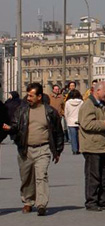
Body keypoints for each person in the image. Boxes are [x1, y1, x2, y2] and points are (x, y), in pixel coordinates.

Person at [2, 82, 64, 216]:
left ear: (39, 96)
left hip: (43, 149)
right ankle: (28, 201)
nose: (28, 98)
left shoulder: (50, 112)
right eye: (27, 95)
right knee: (27, 178)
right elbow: (15, 125)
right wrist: (10, 128)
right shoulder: (22, 110)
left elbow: (58, 132)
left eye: (31, 96)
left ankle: (41, 204)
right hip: (25, 149)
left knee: (42, 176)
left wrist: (57, 151)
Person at [78, 81, 105, 211]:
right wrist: (103, 124)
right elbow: (86, 124)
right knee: (93, 175)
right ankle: (91, 202)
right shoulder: (88, 105)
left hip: (103, 145)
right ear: (97, 91)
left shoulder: (104, 105)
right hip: (92, 146)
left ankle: (103, 200)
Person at [64, 89, 83, 154]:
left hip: (70, 121)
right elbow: (83, 112)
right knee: (79, 136)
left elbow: (66, 113)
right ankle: (79, 148)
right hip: (79, 121)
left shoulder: (67, 102)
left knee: (73, 137)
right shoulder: (81, 102)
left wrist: (67, 120)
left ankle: (74, 149)